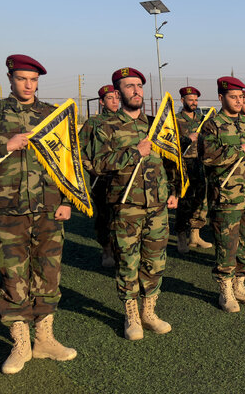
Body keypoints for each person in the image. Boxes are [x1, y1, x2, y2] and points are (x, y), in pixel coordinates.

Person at [0, 54, 76, 374]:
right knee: (13, 274)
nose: (29, 85)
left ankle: (44, 338)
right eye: (23, 78)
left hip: (48, 208)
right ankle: (20, 343)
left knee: (48, 272)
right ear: (10, 78)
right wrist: (5, 147)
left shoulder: (51, 116)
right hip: (7, 208)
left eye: (34, 80)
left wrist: (67, 198)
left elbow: (69, 161)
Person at [91, 67, 179, 341]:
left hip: (157, 206)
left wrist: (173, 190)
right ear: (117, 92)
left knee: (155, 261)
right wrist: (133, 153)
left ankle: (148, 311)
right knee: (128, 262)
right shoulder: (105, 127)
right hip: (126, 206)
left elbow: (169, 162)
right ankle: (131, 315)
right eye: (129, 86)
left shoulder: (154, 125)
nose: (136, 90)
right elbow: (96, 165)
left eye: (139, 85)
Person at [200, 77, 245, 312]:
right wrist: (238, 150)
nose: (239, 101)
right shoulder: (212, 125)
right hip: (227, 197)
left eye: (241, 97)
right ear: (221, 98)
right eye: (233, 97)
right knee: (226, 245)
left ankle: (240, 285)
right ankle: (225, 291)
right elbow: (208, 156)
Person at [79, 84, 120, 267]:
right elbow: (77, 149)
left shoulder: (125, 121)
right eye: (110, 98)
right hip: (101, 179)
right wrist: (90, 168)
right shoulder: (93, 123)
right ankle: (107, 249)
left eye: (117, 97)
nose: (115, 101)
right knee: (104, 216)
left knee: (122, 216)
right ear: (102, 102)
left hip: (123, 178)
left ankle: (122, 250)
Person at [175, 86, 212, 253]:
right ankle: (181, 236)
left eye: (196, 100)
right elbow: (169, 144)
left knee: (201, 200)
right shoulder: (175, 120)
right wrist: (186, 139)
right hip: (184, 165)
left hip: (200, 163)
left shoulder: (201, 120)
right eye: (191, 100)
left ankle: (195, 235)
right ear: (182, 100)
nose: (194, 103)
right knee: (185, 202)